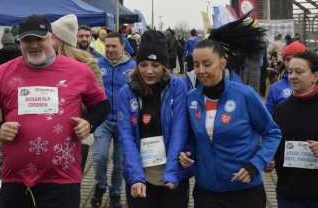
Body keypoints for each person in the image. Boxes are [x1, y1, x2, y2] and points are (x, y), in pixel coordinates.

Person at [0, 14, 109, 208]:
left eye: (39, 38)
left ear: (52, 39)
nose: (33, 44)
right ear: (20, 42)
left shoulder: (79, 71)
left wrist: (90, 123)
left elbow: (102, 105)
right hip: (16, 179)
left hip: (63, 178)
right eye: (27, 39)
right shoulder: (2, 73)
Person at [179, 15, 281, 208]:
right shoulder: (191, 98)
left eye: (207, 64)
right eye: (196, 64)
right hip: (206, 192)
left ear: (223, 63)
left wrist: (256, 163)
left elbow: (272, 133)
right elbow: (194, 139)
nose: (200, 70)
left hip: (244, 192)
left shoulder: (245, 95)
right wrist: (187, 153)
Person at [117, 30, 190, 208]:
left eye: (155, 65)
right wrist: (135, 177)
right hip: (140, 173)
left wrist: (172, 172)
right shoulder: (126, 92)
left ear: (164, 66)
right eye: (143, 64)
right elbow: (126, 137)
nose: (149, 71)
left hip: (171, 173)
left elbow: (179, 129)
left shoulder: (177, 87)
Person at [51, 14, 103, 174]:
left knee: (71, 180)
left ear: (60, 39)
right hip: (50, 132)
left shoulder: (88, 63)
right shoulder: (46, 62)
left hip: (77, 132)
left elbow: (99, 100)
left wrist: (70, 106)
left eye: (52, 36)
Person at [91, 32, 136, 208]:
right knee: (100, 157)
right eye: (107, 46)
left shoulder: (133, 67)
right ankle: (100, 186)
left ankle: (116, 192)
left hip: (124, 123)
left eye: (113, 46)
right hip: (103, 120)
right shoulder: (96, 65)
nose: (109, 49)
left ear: (122, 47)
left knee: (119, 163)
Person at [273, 50, 318, 208]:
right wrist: (268, 159)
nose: (292, 76)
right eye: (290, 71)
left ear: (315, 76)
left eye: (299, 72)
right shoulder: (281, 109)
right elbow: (274, 143)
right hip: (289, 194)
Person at [266, 40, 306, 115]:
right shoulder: (275, 88)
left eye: (295, 58)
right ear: (283, 61)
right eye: (287, 59)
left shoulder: (312, 86)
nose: (291, 62)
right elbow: (268, 119)